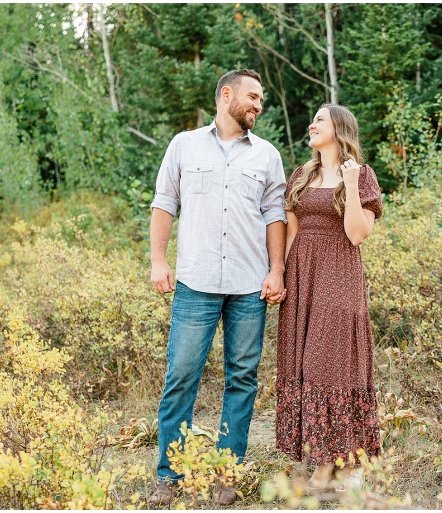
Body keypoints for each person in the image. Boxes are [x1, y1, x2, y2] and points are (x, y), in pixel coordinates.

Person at [147, 69, 288, 507]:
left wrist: (277, 268)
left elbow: (275, 215)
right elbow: (164, 203)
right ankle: (169, 475)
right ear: (226, 95)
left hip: (250, 286)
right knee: (181, 377)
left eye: (261, 99)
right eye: (252, 97)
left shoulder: (267, 155)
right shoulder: (184, 145)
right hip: (196, 283)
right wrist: (157, 259)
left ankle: (227, 474)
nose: (258, 105)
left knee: (242, 379)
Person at [275, 104, 383, 493]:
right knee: (303, 366)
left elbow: (357, 234)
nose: (311, 124)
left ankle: (329, 466)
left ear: (339, 129)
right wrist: (281, 275)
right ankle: (322, 459)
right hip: (302, 277)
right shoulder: (302, 175)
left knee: (329, 365)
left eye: (319, 119)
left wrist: (351, 187)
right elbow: (291, 231)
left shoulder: (362, 175)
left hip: (339, 277)